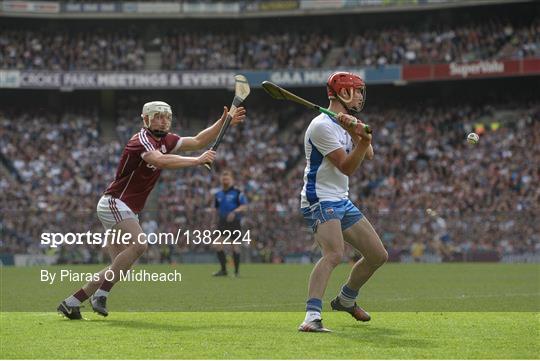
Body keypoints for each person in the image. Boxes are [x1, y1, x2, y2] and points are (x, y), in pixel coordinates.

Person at [57, 101, 246, 319]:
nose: (164, 120)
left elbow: (197, 141)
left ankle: (71, 303)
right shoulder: (141, 140)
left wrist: (224, 122)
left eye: (167, 116)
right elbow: (160, 160)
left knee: (120, 266)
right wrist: (197, 160)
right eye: (158, 116)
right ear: (145, 119)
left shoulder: (167, 139)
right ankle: (101, 294)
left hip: (126, 208)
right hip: (115, 202)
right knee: (140, 244)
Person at [298, 72, 388, 332]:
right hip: (319, 198)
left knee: (377, 255)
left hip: (340, 199)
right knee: (335, 254)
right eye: (357, 90)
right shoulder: (321, 126)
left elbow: (368, 155)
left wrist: (357, 131)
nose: (360, 95)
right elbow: (348, 167)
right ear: (343, 92)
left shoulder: (345, 122)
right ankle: (311, 317)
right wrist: (364, 138)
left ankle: (346, 299)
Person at [212, 170, 248, 277]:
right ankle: (223, 270)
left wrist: (234, 212)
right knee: (217, 245)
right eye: (223, 179)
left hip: (234, 221)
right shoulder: (218, 194)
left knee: (235, 246)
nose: (225, 180)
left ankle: (236, 272)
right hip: (222, 221)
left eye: (227, 178)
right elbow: (216, 209)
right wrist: (213, 221)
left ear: (231, 180)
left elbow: (244, 206)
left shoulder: (237, 192)